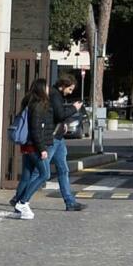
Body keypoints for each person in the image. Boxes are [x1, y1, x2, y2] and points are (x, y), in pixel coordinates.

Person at [43, 75, 86, 212]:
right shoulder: (55, 95)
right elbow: (59, 114)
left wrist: (64, 124)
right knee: (41, 171)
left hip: (59, 137)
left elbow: (58, 116)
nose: (71, 92)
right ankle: (21, 198)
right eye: (70, 89)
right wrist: (74, 108)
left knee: (63, 169)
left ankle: (70, 202)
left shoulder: (57, 95)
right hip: (54, 138)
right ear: (63, 85)